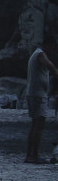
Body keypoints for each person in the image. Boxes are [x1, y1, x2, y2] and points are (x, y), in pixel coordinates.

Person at [25, 35, 58, 164]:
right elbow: (50, 67)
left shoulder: (36, 54)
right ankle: (34, 155)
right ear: (48, 45)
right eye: (53, 48)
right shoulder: (40, 54)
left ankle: (30, 155)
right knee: (39, 125)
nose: (53, 51)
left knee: (35, 125)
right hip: (38, 95)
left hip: (34, 93)